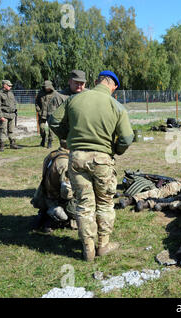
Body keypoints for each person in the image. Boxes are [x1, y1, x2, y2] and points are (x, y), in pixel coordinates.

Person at [48, 70, 134, 261]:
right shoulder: (116, 105)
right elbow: (127, 137)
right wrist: (115, 149)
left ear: (96, 82)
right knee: (104, 203)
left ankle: (88, 248)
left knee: (84, 204)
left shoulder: (74, 99)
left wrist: (68, 136)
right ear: (114, 86)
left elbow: (53, 120)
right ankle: (103, 245)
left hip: (77, 158)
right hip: (102, 160)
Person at [31, 141, 77, 233]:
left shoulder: (52, 155)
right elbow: (66, 192)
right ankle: (55, 220)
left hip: (46, 196)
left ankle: (44, 216)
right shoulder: (66, 162)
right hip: (57, 200)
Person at [48, 70, 87, 147]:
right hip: (68, 141)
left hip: (87, 139)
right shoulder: (59, 97)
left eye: (82, 83)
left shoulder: (89, 95)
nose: (79, 86)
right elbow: (51, 119)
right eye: (76, 83)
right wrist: (66, 135)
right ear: (69, 82)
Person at [0, 80, 22, 151]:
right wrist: (0, 116)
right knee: (3, 130)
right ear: (4, 85)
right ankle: (1, 146)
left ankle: (12, 144)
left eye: (10, 86)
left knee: (11, 130)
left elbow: (14, 103)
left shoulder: (11, 93)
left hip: (12, 115)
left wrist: (15, 111)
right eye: (9, 85)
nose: (10, 87)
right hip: (4, 115)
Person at [35, 80, 57, 148]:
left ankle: (50, 141)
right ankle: (43, 138)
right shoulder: (40, 93)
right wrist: (38, 110)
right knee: (41, 128)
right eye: (45, 87)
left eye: (47, 87)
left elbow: (59, 103)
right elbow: (36, 102)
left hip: (52, 113)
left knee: (51, 129)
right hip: (42, 114)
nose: (46, 88)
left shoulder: (55, 94)